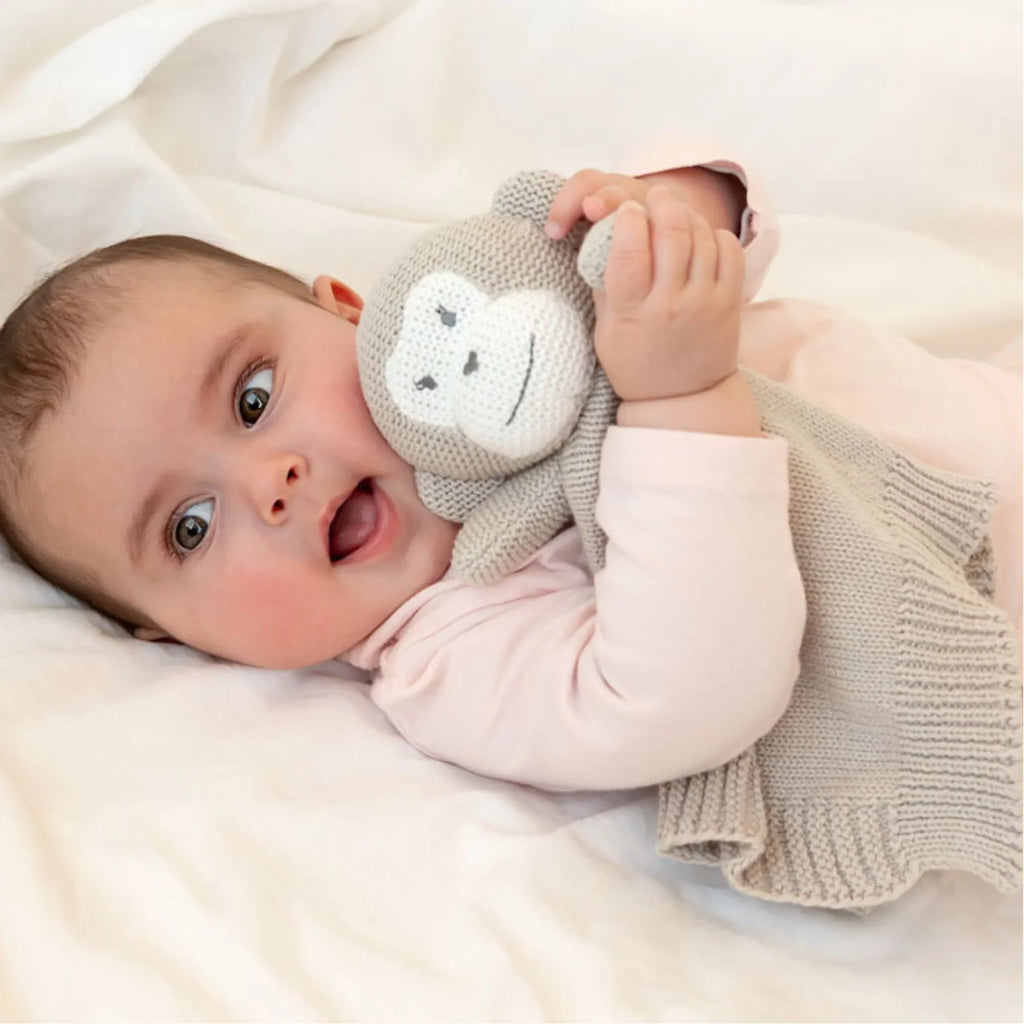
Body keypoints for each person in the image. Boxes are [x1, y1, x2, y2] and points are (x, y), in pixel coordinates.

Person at [0, 142, 1018, 795]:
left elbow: (729, 239)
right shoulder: (448, 649)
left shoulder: (500, 316)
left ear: (350, 310)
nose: (268, 479)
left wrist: (656, 215)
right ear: (172, 635)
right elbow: (684, 698)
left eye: (253, 396)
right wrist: (674, 400)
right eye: (188, 527)